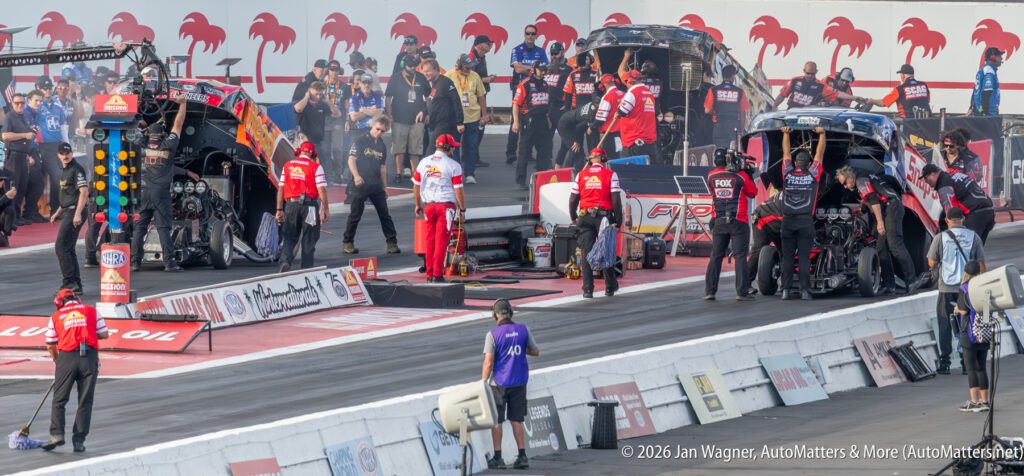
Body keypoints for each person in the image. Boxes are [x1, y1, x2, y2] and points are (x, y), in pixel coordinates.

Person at [131, 97, 198, 272]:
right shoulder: (168, 145)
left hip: (143, 192)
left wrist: (137, 114)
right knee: (163, 228)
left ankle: (134, 263)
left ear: (148, 134)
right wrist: (183, 104)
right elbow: (178, 124)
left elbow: (132, 131)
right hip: (161, 194)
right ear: (162, 134)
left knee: (139, 229)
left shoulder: (140, 146)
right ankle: (169, 263)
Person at [837, 166, 927, 295]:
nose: (845, 186)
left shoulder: (861, 180)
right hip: (888, 208)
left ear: (850, 177)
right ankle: (888, 284)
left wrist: (879, 222)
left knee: (895, 245)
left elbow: (874, 201)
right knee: (881, 248)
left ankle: (911, 280)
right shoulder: (864, 176)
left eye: (845, 183)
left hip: (892, 207)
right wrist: (861, 212)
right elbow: (869, 198)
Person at [42, 289, 108, 453]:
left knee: (59, 399)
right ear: (76, 299)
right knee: (85, 400)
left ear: (59, 302)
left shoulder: (55, 317)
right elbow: (104, 334)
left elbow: (50, 344)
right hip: (89, 358)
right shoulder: (92, 311)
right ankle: (79, 441)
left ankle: (57, 434)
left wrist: (58, 362)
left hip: (66, 358)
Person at [927, 207, 987, 375]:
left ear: (947, 220)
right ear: (963, 219)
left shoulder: (940, 237)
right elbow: (982, 265)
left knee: (945, 324)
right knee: (965, 324)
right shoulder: (973, 236)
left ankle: (945, 363)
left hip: (946, 287)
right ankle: (966, 363)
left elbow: (931, 262)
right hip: (967, 288)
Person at [482, 299, 540, 470]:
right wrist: (520, 350)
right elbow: (535, 351)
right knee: (517, 419)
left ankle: (498, 458)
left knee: (497, 421)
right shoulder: (523, 329)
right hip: (519, 382)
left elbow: (488, 362)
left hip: (499, 383)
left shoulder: (492, 334)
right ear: (511, 313)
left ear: (495, 315)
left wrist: (483, 382)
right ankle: (522, 456)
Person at [704, 148, 757, 301]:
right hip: (738, 221)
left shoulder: (711, 176)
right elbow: (753, 193)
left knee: (716, 256)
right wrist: (749, 175)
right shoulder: (740, 175)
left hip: (719, 220)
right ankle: (741, 292)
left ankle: (710, 291)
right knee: (740, 257)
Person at [779, 127, 826, 300]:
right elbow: (819, 154)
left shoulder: (787, 172)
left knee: (787, 257)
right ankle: (805, 291)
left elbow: (785, 153)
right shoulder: (813, 173)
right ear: (808, 163)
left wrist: (786, 134)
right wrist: (822, 134)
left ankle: (785, 290)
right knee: (804, 258)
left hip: (787, 221)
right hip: (805, 221)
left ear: (795, 162)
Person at [568, 147, 622, 298]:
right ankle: (610, 287)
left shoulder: (581, 175)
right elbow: (616, 201)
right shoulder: (611, 174)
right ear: (603, 159)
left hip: (584, 217)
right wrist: (618, 221)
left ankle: (587, 290)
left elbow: (572, 199)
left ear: (590, 160)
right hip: (604, 217)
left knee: (586, 251)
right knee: (606, 250)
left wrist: (573, 217)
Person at [413, 134, 467, 283]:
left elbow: (416, 186)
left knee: (430, 241)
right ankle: (437, 274)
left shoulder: (423, 162)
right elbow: (458, 190)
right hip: (446, 207)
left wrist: (417, 204)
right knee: (441, 242)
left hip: (429, 206)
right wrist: (462, 209)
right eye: (453, 147)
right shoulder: (453, 165)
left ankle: (429, 274)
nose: (453, 150)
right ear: (448, 148)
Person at [343, 117, 399, 255]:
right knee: (355, 214)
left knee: (385, 214)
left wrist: (385, 187)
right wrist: (356, 176)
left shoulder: (382, 145)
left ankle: (392, 243)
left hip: (376, 184)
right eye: (377, 129)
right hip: (360, 183)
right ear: (373, 126)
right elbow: (351, 160)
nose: (379, 132)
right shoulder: (360, 140)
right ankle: (348, 242)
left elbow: (382, 168)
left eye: (382, 131)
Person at [275, 141, 329, 272]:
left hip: (291, 205)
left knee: (289, 236)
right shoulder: (316, 167)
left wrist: (279, 209)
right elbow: (321, 190)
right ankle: (306, 269)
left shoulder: (288, 166)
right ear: (313, 154)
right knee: (309, 238)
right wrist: (326, 209)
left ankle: (284, 262)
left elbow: (281, 188)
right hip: (310, 207)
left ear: (298, 152)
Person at [507, 24, 549, 165]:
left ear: (536, 36)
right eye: (528, 33)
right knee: (516, 120)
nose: (530, 36)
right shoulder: (517, 49)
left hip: (535, 90)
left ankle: (528, 153)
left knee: (532, 121)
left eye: (532, 33)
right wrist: (534, 68)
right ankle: (510, 153)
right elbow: (517, 69)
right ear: (524, 34)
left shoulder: (540, 51)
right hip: (520, 88)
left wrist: (530, 69)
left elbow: (546, 67)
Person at [952, 260, 991, 412]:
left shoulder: (965, 288)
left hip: (968, 332)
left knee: (971, 368)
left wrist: (956, 309)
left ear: (966, 273)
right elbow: (987, 311)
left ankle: (974, 402)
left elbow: (963, 310)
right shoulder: (985, 287)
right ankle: (985, 401)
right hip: (984, 331)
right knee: (982, 368)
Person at [922, 164, 994, 243]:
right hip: (989, 211)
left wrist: (951, 233)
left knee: (963, 247)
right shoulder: (956, 175)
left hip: (975, 215)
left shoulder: (943, 183)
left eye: (925, 178)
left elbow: (952, 212)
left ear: (932, 174)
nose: (926, 182)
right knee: (976, 248)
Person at [385, 54, 429, 184]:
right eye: (410, 66)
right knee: (398, 148)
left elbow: (428, 97)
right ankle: (398, 173)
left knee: (415, 148)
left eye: (415, 66)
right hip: (399, 118)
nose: (413, 68)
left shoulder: (421, 77)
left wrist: (427, 113)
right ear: (404, 65)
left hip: (417, 120)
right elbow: (388, 97)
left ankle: (415, 174)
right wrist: (389, 115)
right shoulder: (395, 78)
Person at [50, 143, 88, 293]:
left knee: (60, 246)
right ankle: (76, 284)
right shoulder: (65, 170)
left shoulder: (77, 169)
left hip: (74, 211)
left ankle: (69, 282)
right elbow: (68, 195)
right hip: (68, 210)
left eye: (67, 153)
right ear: (58, 155)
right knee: (68, 248)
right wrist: (57, 212)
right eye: (62, 154)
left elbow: (83, 192)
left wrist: (77, 213)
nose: (65, 156)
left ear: (72, 154)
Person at [446, 54, 488, 184]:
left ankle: (470, 173)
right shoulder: (449, 76)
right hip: (455, 118)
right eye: (467, 67)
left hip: (473, 118)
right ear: (459, 66)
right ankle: (456, 174)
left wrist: (484, 114)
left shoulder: (475, 76)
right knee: (454, 147)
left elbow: (481, 96)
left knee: (472, 147)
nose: (469, 69)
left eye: (471, 67)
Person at [512, 62, 553, 190]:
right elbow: (516, 104)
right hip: (529, 120)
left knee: (544, 151)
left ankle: (541, 179)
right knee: (524, 151)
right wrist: (516, 122)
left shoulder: (545, 84)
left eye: (545, 70)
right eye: (541, 70)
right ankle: (520, 181)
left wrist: (548, 119)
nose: (544, 72)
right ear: (534, 70)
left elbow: (546, 104)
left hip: (543, 120)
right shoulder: (525, 84)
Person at [34, 76, 70, 217]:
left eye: (49, 88)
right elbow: (31, 126)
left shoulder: (57, 106)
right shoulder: (36, 106)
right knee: (52, 177)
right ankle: (39, 210)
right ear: (38, 89)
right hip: (43, 146)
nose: (48, 90)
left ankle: (56, 209)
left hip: (57, 145)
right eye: (45, 88)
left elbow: (62, 127)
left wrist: (67, 146)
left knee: (59, 178)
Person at [2, 93, 39, 226]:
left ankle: (17, 216)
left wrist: (32, 132)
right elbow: (5, 136)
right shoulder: (9, 116)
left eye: (22, 103)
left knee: (22, 188)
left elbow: (26, 137)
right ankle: (10, 218)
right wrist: (25, 134)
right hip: (13, 157)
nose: (19, 105)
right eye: (17, 103)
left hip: (23, 156)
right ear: (12, 103)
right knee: (13, 188)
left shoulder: (23, 116)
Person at [295, 81, 341, 184]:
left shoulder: (321, 105)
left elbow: (337, 114)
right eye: (316, 94)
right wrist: (307, 97)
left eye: (320, 94)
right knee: (304, 165)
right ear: (310, 91)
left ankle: (323, 182)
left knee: (320, 164)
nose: (318, 96)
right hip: (305, 141)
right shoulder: (303, 102)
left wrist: (328, 102)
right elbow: (298, 109)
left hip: (318, 141)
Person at [422, 59, 464, 156]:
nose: (425, 74)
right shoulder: (434, 83)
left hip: (445, 125)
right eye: (424, 72)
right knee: (442, 153)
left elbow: (456, 101)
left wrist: (460, 122)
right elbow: (433, 102)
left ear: (436, 69)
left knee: (431, 153)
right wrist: (423, 112)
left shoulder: (445, 82)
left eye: (428, 71)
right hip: (436, 124)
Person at [704, 65, 750, 149]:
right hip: (734, 128)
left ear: (723, 76)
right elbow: (743, 113)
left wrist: (716, 112)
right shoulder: (740, 92)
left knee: (720, 152)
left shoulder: (713, 90)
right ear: (733, 76)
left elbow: (707, 110)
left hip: (719, 127)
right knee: (734, 152)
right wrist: (741, 130)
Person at [617, 70, 658, 163]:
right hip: (650, 141)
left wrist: (619, 108)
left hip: (633, 141)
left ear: (630, 81)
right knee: (650, 170)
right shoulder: (649, 93)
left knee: (631, 170)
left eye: (626, 82)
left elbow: (622, 111)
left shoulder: (632, 93)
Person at [747, 192, 783, 295]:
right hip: (762, 219)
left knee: (786, 252)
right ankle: (745, 284)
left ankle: (786, 284)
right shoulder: (795, 200)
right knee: (758, 250)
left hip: (778, 223)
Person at [864, 64, 931, 118]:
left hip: (908, 125)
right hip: (926, 123)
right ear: (913, 74)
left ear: (903, 76)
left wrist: (871, 101)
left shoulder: (899, 89)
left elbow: (883, 103)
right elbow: (927, 101)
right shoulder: (924, 85)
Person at [323, 60, 352, 185]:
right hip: (324, 120)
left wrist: (347, 121)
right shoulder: (321, 85)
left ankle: (338, 173)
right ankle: (328, 174)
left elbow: (347, 106)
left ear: (339, 71)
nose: (334, 73)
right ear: (327, 71)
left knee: (337, 149)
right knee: (325, 150)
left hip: (338, 121)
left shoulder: (345, 87)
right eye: (332, 70)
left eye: (336, 70)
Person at [22, 90, 48, 223]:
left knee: (34, 184)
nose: (38, 103)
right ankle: (28, 212)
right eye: (36, 100)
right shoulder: (25, 113)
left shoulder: (36, 113)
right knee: (37, 183)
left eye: (40, 101)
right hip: (26, 152)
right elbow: (22, 137)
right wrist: (27, 155)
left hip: (34, 151)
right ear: (29, 100)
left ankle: (31, 212)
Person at [557, 101, 598, 171]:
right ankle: (566, 171)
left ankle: (579, 170)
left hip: (573, 124)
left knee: (579, 151)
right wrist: (575, 141)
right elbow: (578, 128)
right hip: (565, 126)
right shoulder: (589, 116)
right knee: (574, 149)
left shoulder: (593, 106)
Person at [593, 74, 624, 159]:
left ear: (604, 84)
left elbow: (600, 119)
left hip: (610, 133)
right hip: (623, 133)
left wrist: (591, 127)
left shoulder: (607, 96)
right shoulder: (624, 94)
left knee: (610, 159)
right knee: (621, 158)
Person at [971, 47, 1002, 116]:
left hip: (981, 111)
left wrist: (972, 107)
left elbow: (975, 91)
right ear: (993, 57)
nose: (1001, 58)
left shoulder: (984, 70)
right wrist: (984, 113)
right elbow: (986, 93)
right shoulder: (989, 71)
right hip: (988, 112)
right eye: (999, 56)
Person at [0, 171, 17, 247]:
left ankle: (5, 235)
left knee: (10, 210)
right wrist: (6, 196)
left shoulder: (2, 190)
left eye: (3, 180)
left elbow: (8, 208)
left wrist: (10, 198)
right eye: (0, 180)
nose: (2, 182)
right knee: (3, 243)